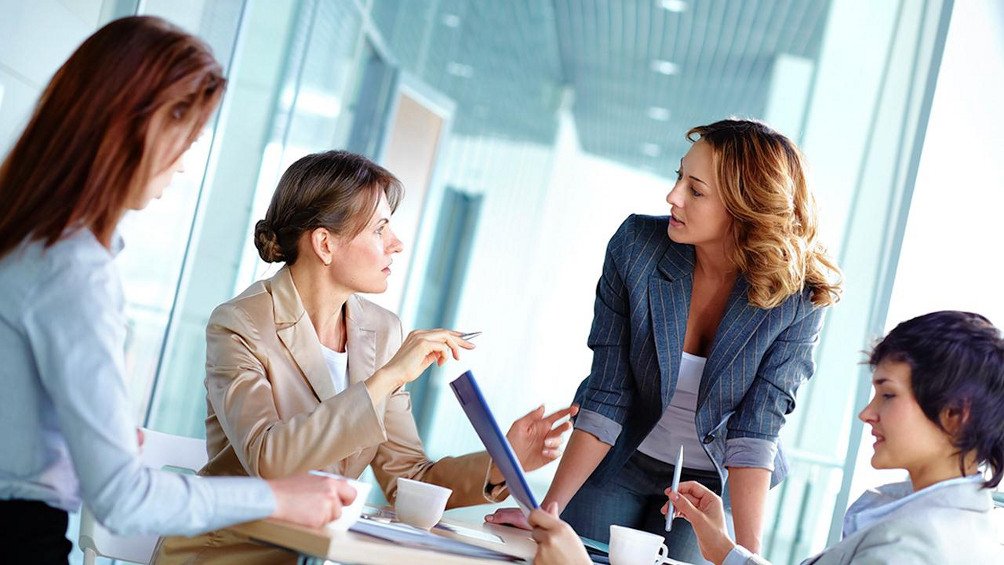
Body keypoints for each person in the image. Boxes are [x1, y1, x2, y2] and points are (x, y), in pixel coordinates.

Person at [0, 16, 357, 565]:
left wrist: (85, 442)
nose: (184, 164)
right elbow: (123, 500)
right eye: (185, 140)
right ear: (138, 129)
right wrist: (278, 498)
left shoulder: (24, 242)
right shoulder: (74, 271)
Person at [153, 150, 576, 563]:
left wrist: (501, 463)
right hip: (226, 554)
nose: (397, 244)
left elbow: (408, 476)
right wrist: (387, 378)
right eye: (379, 230)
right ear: (325, 244)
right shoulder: (240, 324)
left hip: (312, 554)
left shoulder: (381, 330)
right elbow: (269, 458)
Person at [487, 118, 843, 561]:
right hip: (622, 456)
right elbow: (608, 392)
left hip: (708, 481)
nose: (673, 196)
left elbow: (756, 428)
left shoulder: (799, 296)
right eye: (679, 177)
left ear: (746, 207)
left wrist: (746, 558)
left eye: (696, 190)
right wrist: (548, 513)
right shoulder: (637, 247)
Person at [530, 310, 1004, 564]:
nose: (867, 413)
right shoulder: (951, 521)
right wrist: (724, 549)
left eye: (888, 394)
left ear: (955, 415)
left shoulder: (913, 548)